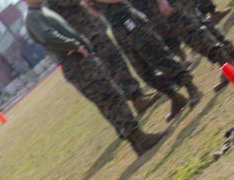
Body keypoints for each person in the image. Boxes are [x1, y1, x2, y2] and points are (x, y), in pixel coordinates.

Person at [24, 0, 168, 153]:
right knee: (108, 95)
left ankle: (136, 138)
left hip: (82, 51)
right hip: (79, 56)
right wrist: (73, 45)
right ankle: (138, 134)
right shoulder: (33, 17)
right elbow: (48, 37)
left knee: (109, 95)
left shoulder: (40, 12)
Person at [85, 0, 202, 120]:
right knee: (142, 70)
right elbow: (99, 13)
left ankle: (191, 88)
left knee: (159, 57)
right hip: (117, 28)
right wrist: (90, 6)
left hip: (129, 19)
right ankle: (175, 97)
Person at [45, 0, 160, 114]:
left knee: (116, 60)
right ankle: (136, 98)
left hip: (92, 30)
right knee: (114, 64)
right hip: (89, 35)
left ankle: (137, 94)